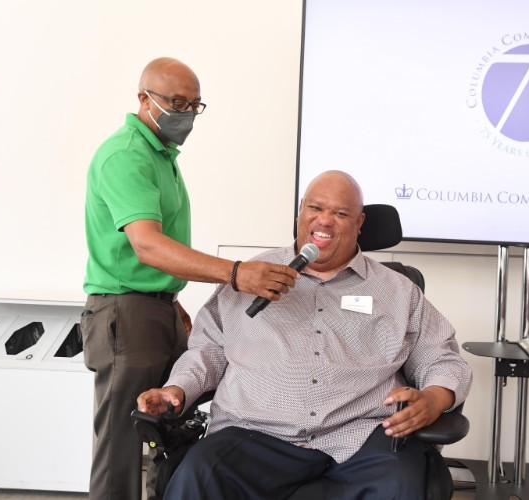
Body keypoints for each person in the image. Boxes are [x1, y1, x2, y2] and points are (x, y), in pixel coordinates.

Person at [137, 170, 473, 499]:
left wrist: (434, 398)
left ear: (359, 224)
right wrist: (177, 388)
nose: (324, 221)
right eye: (315, 208)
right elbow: (207, 351)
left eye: (340, 213)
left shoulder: (398, 291)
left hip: (362, 435)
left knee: (400, 486)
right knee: (199, 475)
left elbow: (441, 357)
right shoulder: (248, 276)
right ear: (301, 211)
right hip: (256, 432)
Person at [82, 57, 299, 500]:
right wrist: (236, 275)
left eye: (195, 106)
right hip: (126, 313)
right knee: (123, 444)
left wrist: (169, 298)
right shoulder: (127, 156)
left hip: (153, 306)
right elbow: (147, 245)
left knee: (172, 425)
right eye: (176, 102)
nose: (186, 114)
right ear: (143, 99)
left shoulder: (160, 154)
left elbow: (153, 258)